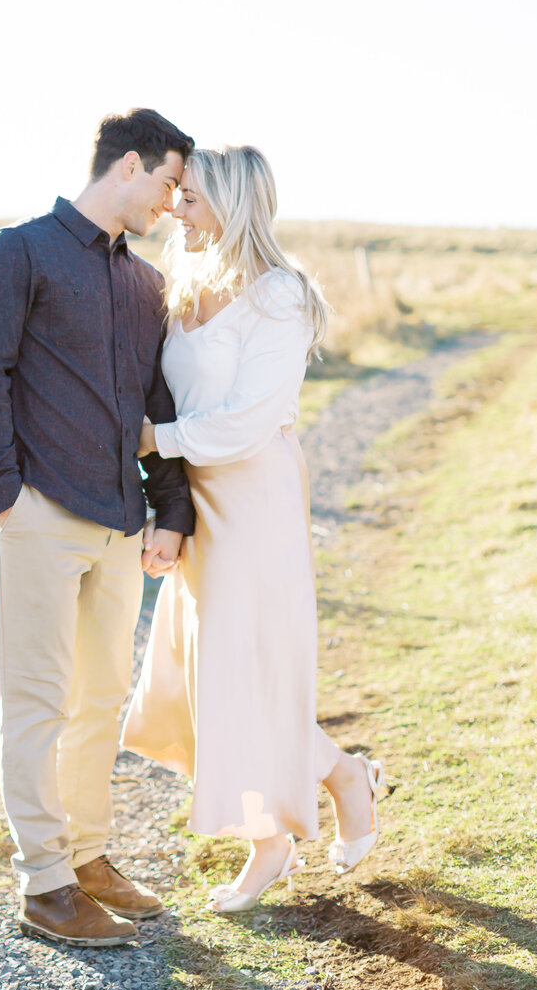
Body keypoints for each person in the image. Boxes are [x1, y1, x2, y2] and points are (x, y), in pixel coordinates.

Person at [0, 108, 196, 946]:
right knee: (37, 699)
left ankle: (88, 857)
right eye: (168, 182)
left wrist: (170, 506)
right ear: (128, 166)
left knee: (101, 696)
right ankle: (45, 884)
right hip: (39, 516)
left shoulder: (145, 284)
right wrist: (5, 491)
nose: (172, 202)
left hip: (119, 521)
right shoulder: (16, 253)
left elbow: (153, 406)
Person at [123, 145, 385, 912]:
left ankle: (272, 842)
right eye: (179, 197)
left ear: (235, 206)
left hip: (255, 497)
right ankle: (341, 775)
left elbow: (247, 420)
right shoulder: (183, 286)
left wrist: (154, 443)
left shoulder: (281, 296)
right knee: (214, 673)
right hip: (199, 503)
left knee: (246, 671)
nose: (176, 209)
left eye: (194, 199)